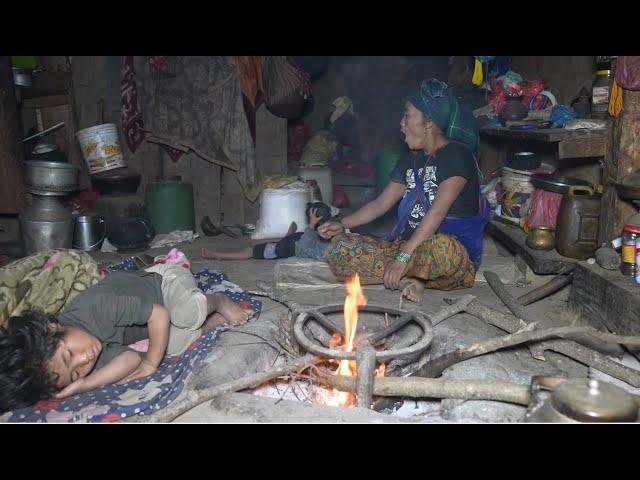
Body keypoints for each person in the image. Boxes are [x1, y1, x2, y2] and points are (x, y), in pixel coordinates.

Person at [0, 257, 255, 413]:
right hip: (158, 320)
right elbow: (131, 360)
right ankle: (212, 323)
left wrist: (151, 363)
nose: (84, 360)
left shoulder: (95, 309)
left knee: (187, 313)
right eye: (75, 373)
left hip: (163, 284)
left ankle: (218, 302)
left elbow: (159, 315)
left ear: (51, 327)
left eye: (70, 355)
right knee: (174, 346)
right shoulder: (88, 355)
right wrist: (86, 383)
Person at [318, 79, 489, 301]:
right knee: (340, 249)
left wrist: (403, 257)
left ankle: (415, 277)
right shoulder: (410, 159)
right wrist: (341, 224)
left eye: (407, 115)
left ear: (428, 123)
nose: (401, 123)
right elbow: (381, 204)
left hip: (446, 252)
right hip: (408, 248)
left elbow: (437, 212)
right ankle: (409, 277)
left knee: (442, 249)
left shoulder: (457, 156)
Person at [201, 202, 332, 262]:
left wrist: (312, 224)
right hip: (296, 242)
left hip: (287, 249)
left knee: (250, 251)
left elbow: (305, 247)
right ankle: (288, 236)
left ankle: (217, 255)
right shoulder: (329, 238)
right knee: (297, 237)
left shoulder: (322, 253)